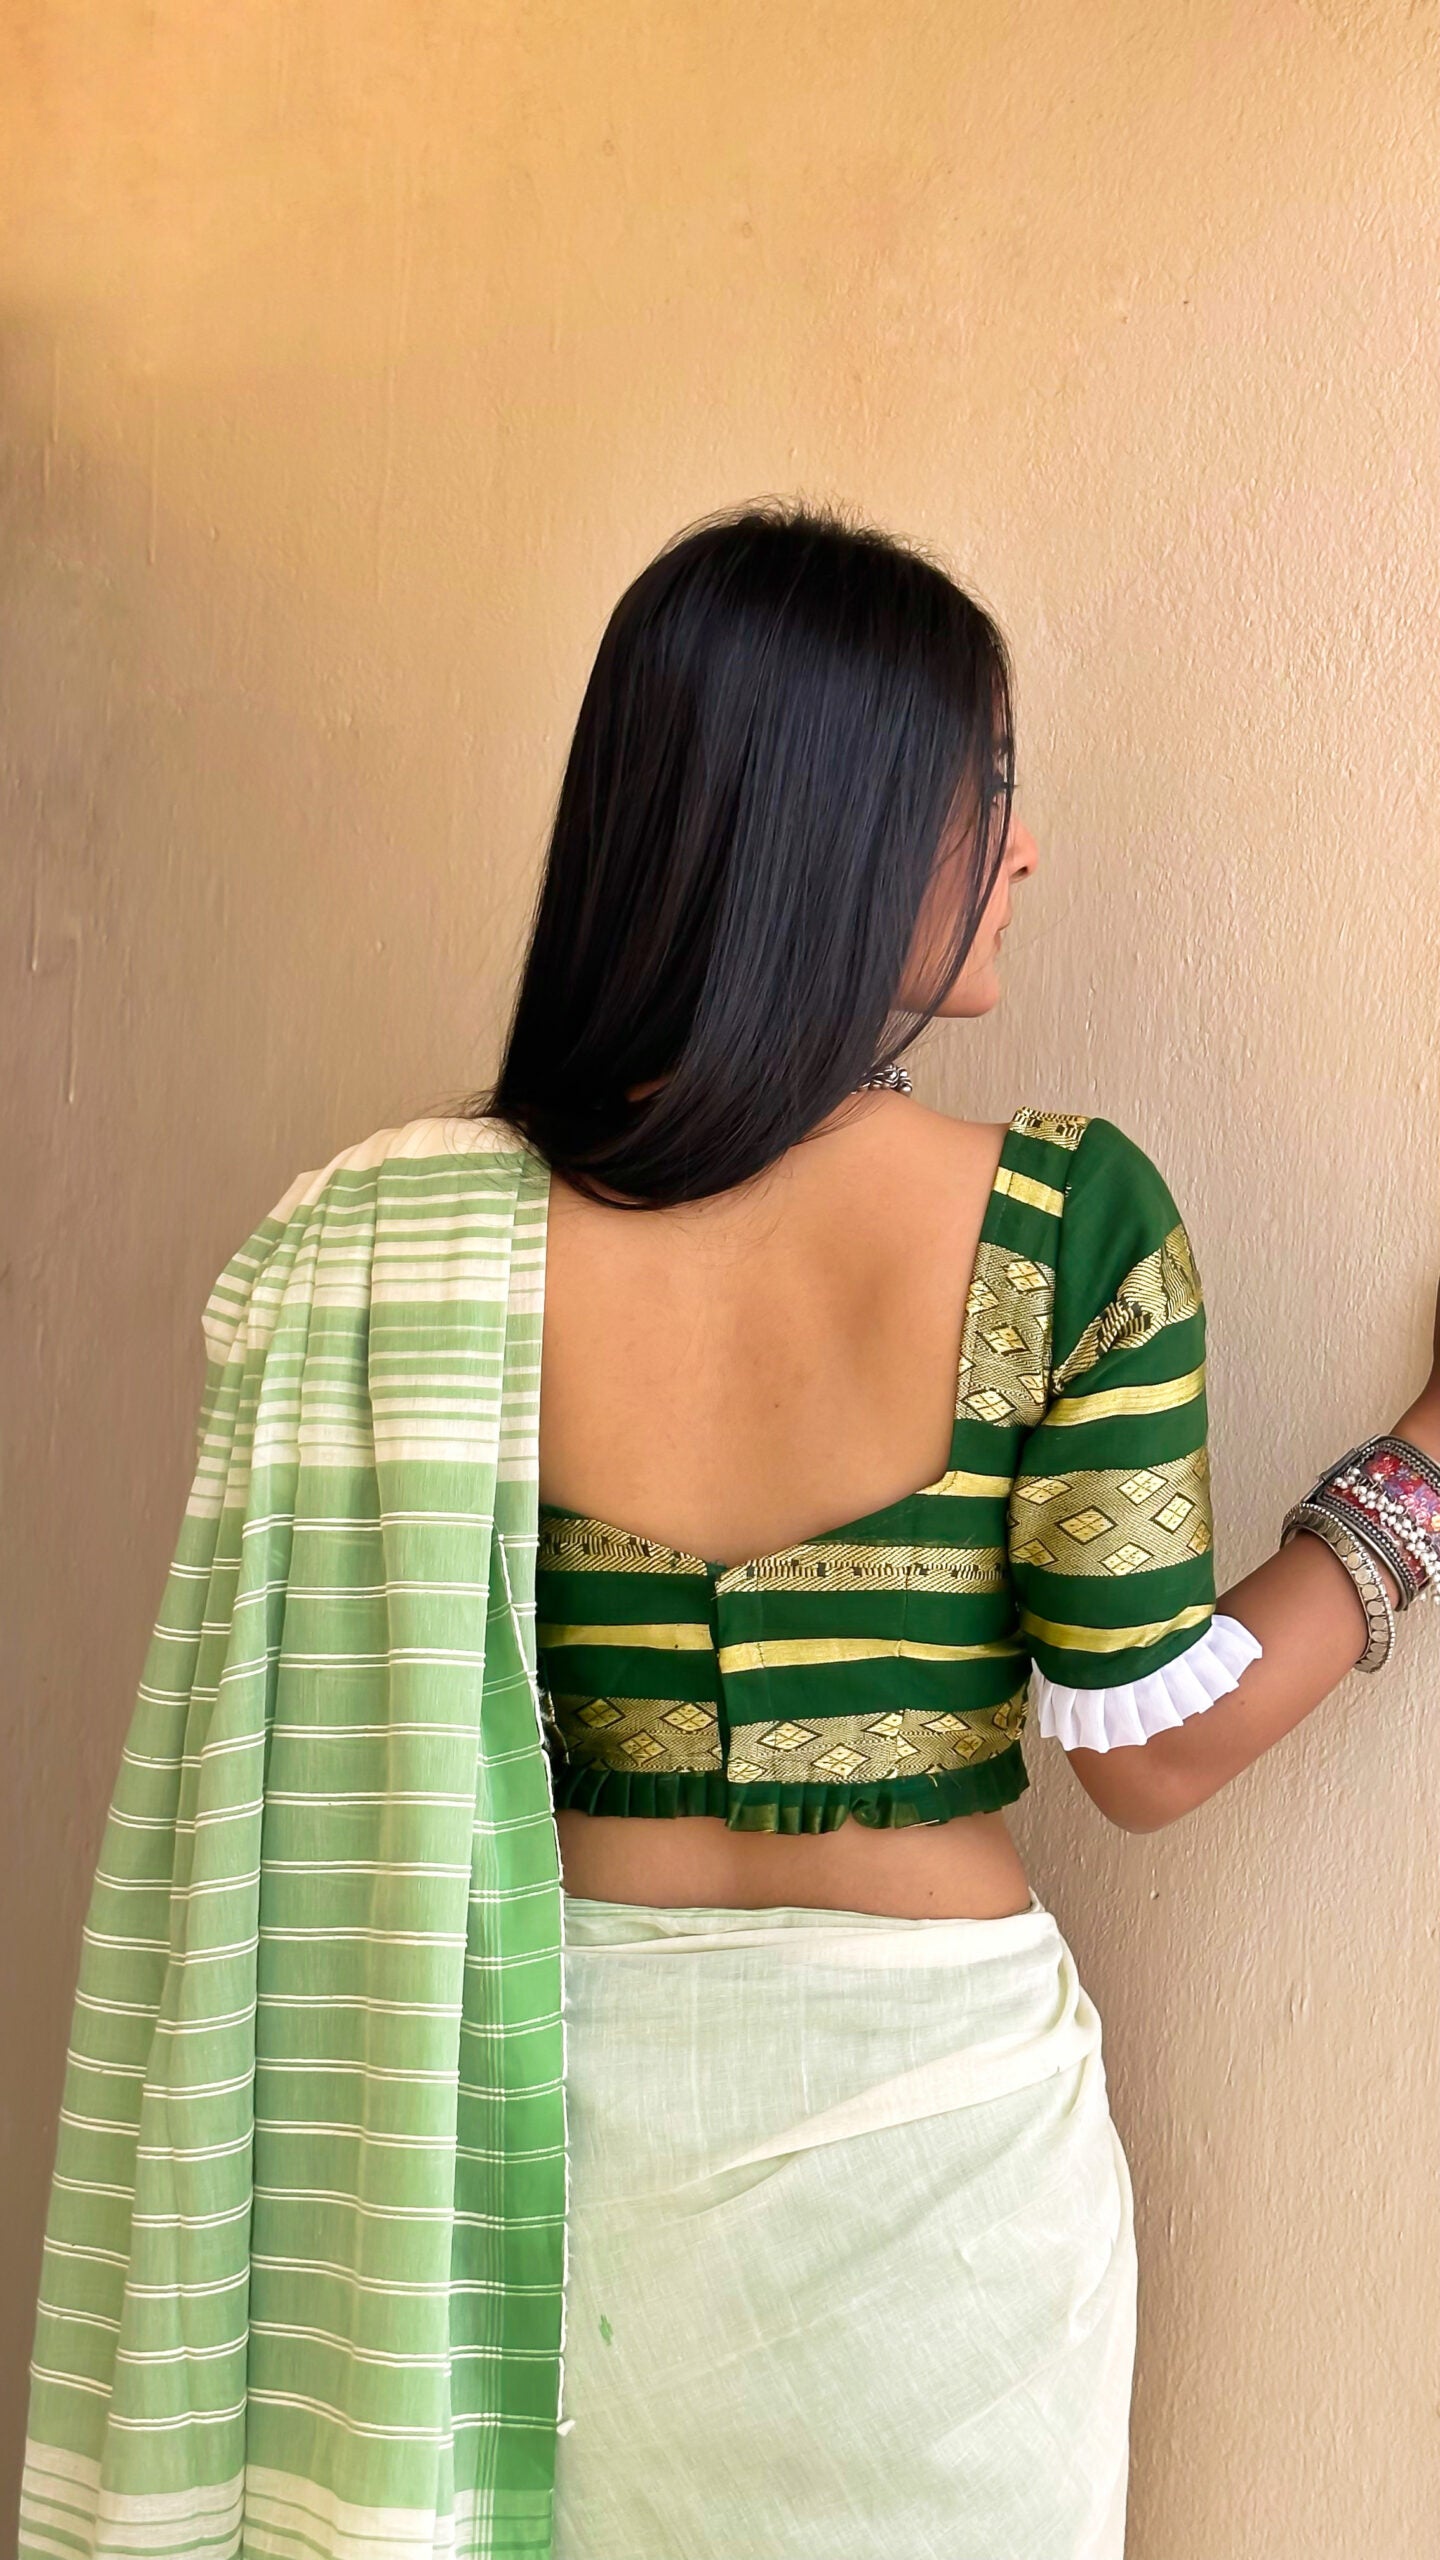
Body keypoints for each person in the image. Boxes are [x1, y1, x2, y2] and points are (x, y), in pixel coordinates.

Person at [19, 501, 1440, 2560]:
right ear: (836, 825)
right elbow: (1155, 1747)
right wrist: (1419, 1471)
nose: (1028, 847)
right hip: (939, 2160)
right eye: (991, 786)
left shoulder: (404, 1246)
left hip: (526, 2142)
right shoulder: (1063, 1219)